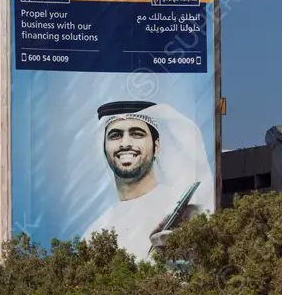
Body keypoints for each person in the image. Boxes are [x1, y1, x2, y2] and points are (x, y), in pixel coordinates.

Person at [83, 100, 211, 260]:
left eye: (137, 134)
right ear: (104, 149)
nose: (125, 143)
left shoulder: (185, 212)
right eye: (115, 135)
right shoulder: (93, 233)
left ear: (156, 147)